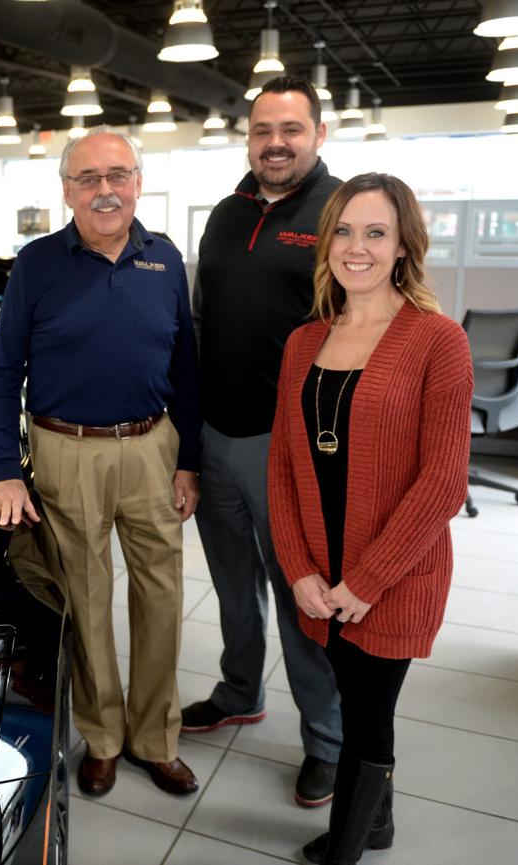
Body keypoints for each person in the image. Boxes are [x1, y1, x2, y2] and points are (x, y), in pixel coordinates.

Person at [0, 128, 201, 797]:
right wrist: (4, 468)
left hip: (153, 445)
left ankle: (154, 737)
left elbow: (186, 369)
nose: (105, 190)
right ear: (67, 190)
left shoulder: (165, 259)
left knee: (161, 594)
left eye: (118, 174)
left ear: (137, 181)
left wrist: (188, 458)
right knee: (86, 596)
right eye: (88, 178)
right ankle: (102, 737)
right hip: (64, 448)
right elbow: (0, 374)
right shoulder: (38, 264)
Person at [268, 172, 472, 864]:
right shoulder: (304, 343)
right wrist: (299, 570)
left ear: (404, 246)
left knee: (366, 719)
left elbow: (443, 482)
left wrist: (365, 582)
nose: (358, 247)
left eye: (376, 232)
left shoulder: (437, 342)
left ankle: (346, 850)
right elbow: (285, 469)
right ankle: (378, 823)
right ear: (327, 244)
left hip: (390, 577)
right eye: (345, 231)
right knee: (354, 699)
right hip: (320, 576)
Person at [183, 76, 344, 808]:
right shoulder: (225, 213)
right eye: (262, 131)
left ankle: (328, 741)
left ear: (318, 133)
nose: (276, 144)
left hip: (290, 446)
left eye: (291, 129)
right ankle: (238, 689)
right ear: (248, 138)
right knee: (231, 585)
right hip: (215, 434)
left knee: (300, 597)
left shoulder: (341, 213)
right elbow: (201, 321)